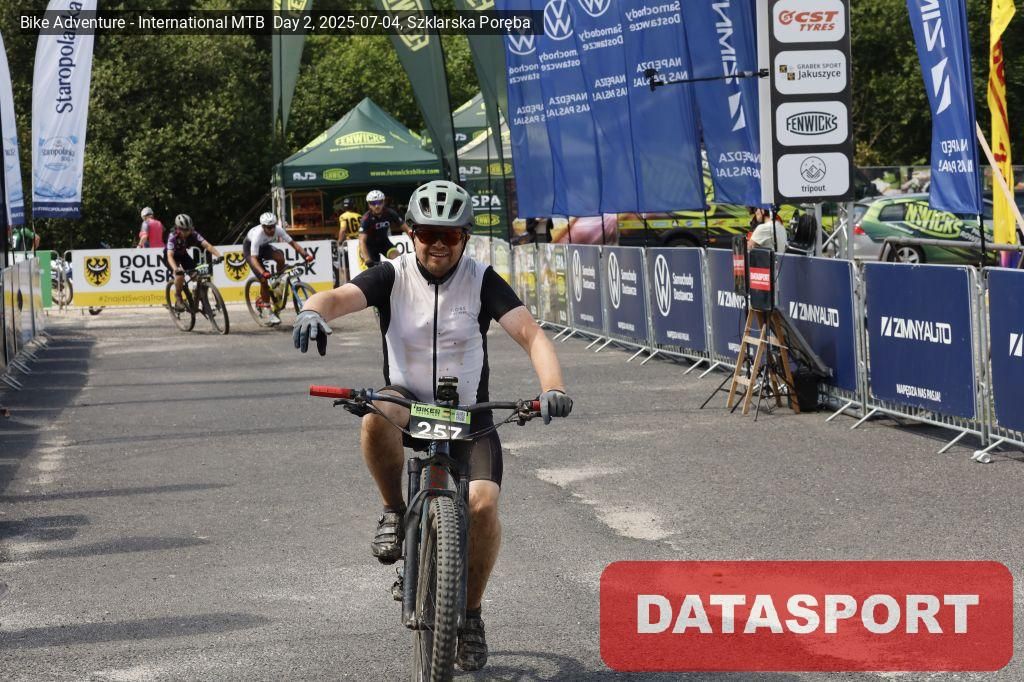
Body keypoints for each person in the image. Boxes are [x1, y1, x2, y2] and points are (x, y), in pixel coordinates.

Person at [292, 180, 573, 672]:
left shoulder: (482, 280)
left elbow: (531, 334)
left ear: (465, 237)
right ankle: (393, 511)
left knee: (483, 506)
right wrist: (312, 310)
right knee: (376, 414)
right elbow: (337, 296)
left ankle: (471, 613)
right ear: (410, 233)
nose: (438, 244)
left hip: (468, 413)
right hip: (408, 400)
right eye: (427, 233)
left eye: (450, 234)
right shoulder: (392, 275)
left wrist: (552, 387)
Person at [243, 212, 314, 326]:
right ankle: (267, 309)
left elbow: (293, 244)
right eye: (268, 228)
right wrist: (263, 272)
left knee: (280, 257)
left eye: (273, 226)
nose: (272, 230)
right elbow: (254, 259)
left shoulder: (278, 230)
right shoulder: (257, 235)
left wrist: (305, 255)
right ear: (263, 227)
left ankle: (277, 281)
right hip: (250, 250)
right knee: (263, 280)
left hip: (264, 247)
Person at [165, 214, 222, 309]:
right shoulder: (172, 236)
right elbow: (170, 256)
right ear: (178, 229)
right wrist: (176, 268)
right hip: (171, 257)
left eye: (189, 229)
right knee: (180, 275)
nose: (187, 232)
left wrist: (219, 255)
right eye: (184, 230)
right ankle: (178, 296)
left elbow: (207, 245)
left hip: (183, 255)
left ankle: (199, 297)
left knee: (196, 275)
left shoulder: (193, 233)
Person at [359, 189, 412, 266]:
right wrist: (367, 259)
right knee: (374, 269)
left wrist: (416, 242)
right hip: (370, 247)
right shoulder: (366, 218)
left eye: (379, 202)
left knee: (399, 260)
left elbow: (407, 229)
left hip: (384, 243)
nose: (377, 206)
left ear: (383, 202)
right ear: (369, 205)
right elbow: (362, 241)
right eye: (373, 203)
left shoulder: (390, 213)